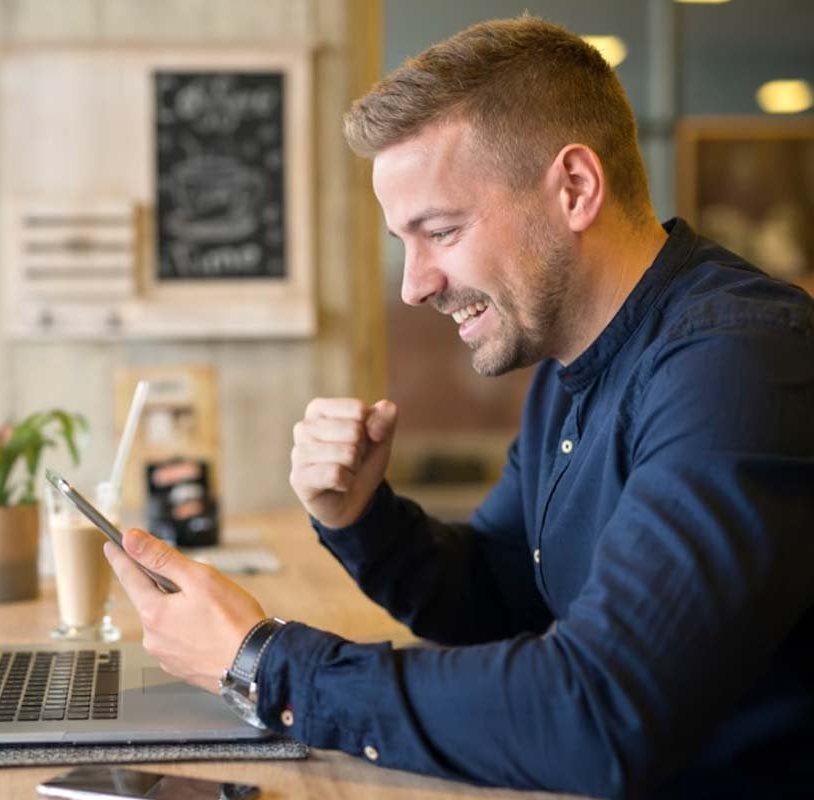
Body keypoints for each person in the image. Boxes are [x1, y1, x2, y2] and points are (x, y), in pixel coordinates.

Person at [104, 16, 814, 799]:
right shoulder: (571, 362)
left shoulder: (739, 362)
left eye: (438, 231)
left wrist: (264, 664)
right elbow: (500, 597)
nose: (413, 285)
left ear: (574, 188)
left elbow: (598, 714)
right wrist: (360, 516)